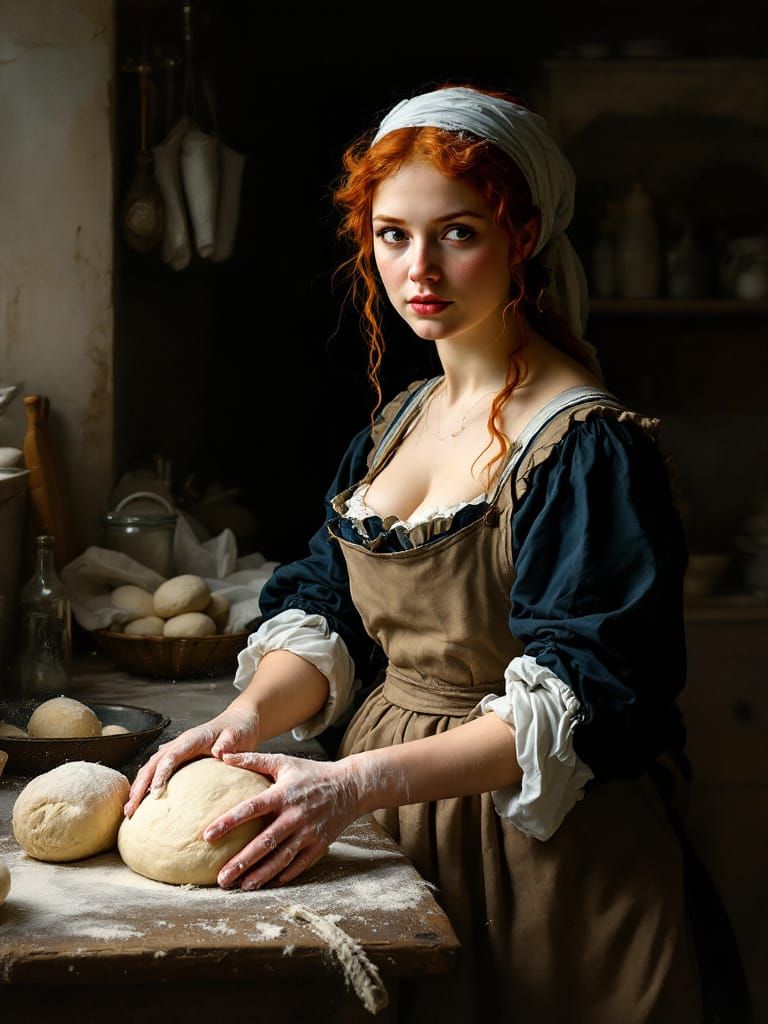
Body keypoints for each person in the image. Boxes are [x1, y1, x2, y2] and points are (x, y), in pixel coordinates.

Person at [125, 84, 750, 1022]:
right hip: (382, 822)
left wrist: (355, 781)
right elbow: (328, 606)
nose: (419, 269)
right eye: (392, 235)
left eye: (457, 233)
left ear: (523, 235)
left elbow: (588, 700)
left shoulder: (586, 447)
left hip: (541, 852)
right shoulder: (398, 419)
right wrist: (248, 716)